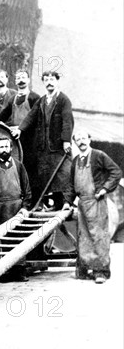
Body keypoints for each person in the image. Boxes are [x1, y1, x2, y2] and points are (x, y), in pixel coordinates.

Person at [13, 70, 74, 208]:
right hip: (43, 146)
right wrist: (19, 129)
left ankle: (62, 203)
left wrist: (66, 140)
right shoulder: (41, 101)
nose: (49, 82)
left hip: (57, 146)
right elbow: (30, 116)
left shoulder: (64, 100)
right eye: (46, 80)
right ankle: (45, 203)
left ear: (57, 81)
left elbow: (67, 121)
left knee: (61, 174)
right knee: (45, 176)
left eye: (52, 79)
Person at [67, 130, 122, 284]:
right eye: (78, 139)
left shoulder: (99, 155)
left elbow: (116, 172)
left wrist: (104, 189)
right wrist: (67, 202)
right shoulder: (76, 161)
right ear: (75, 143)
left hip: (97, 201)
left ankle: (101, 272)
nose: (81, 141)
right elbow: (72, 185)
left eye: (84, 138)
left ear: (89, 139)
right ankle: (85, 270)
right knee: (83, 237)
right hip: (82, 203)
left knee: (99, 236)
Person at [0, 69, 41, 197]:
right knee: (19, 167)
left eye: (23, 77)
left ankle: (35, 200)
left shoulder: (35, 97)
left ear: (28, 80)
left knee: (31, 169)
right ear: (15, 81)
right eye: (18, 78)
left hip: (31, 139)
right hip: (17, 140)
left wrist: (22, 128)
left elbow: (35, 118)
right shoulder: (13, 99)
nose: (21, 80)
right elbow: (2, 115)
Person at [0, 137, 32, 226]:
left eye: (6, 147)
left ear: (11, 148)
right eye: (2, 147)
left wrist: (24, 207)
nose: (4, 150)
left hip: (16, 209)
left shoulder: (19, 165)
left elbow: (27, 190)